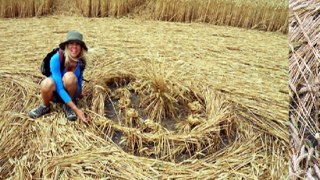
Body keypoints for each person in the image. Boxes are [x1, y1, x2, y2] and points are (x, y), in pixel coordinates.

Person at [29, 30, 90, 124]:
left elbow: (79, 80)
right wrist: (77, 110)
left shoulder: (81, 62)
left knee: (70, 77)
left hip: (72, 93)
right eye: (71, 43)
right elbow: (59, 87)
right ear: (66, 46)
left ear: (81, 47)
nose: (74, 47)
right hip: (56, 92)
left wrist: (79, 92)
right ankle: (45, 106)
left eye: (77, 44)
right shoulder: (56, 58)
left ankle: (67, 106)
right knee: (46, 83)